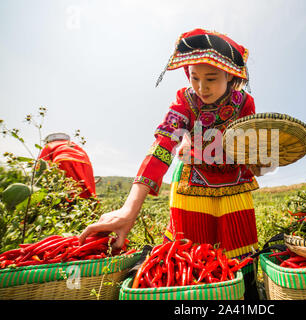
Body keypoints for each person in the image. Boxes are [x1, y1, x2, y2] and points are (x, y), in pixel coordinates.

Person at [80, 28, 262, 299]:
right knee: (189, 260)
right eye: (194, 77)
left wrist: (255, 159)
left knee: (238, 258)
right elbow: (163, 146)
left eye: (211, 78)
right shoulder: (185, 101)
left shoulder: (245, 103)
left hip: (234, 187)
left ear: (230, 76)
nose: (201, 88)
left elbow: (248, 148)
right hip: (193, 186)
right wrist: (129, 210)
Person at [38, 133, 96, 198]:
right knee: (86, 188)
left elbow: (41, 164)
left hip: (63, 161)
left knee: (66, 190)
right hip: (85, 163)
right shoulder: (73, 145)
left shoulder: (49, 145)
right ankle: (89, 203)